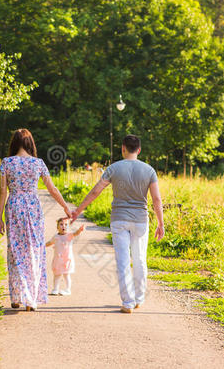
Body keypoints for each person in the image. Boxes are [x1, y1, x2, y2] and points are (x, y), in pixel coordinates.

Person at [71, 135, 164, 314]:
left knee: (122, 261)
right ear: (139, 149)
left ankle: (127, 302)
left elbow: (95, 191)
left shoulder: (113, 168)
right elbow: (156, 199)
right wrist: (161, 222)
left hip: (119, 220)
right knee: (139, 259)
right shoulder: (149, 170)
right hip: (140, 220)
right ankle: (139, 298)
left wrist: (78, 211)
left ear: (123, 148)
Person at [0, 129, 71, 311]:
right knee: (33, 251)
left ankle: (17, 296)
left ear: (14, 143)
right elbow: (52, 188)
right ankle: (31, 298)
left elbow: (3, 191)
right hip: (32, 208)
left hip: (14, 207)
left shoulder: (7, 163)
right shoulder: (38, 163)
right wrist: (65, 206)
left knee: (15, 251)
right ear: (30, 143)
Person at [45, 217, 85, 296]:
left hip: (66, 260)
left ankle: (68, 289)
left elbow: (75, 233)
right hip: (58, 260)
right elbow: (50, 242)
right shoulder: (56, 236)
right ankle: (55, 289)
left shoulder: (69, 235)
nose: (63, 226)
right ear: (57, 227)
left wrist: (79, 230)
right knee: (57, 275)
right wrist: (43, 245)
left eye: (66, 225)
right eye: (61, 224)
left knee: (66, 275)